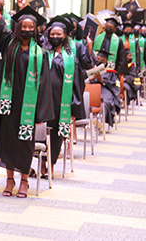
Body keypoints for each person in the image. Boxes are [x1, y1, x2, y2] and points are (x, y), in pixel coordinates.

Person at [0, 0, 54, 199]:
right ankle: (9, 179)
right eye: (24, 26)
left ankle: (24, 181)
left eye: (31, 27)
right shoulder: (8, 46)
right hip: (8, 103)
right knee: (6, 140)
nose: (27, 29)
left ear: (36, 29)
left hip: (28, 107)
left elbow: (44, 84)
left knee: (24, 142)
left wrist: (41, 111)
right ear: (18, 28)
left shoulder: (41, 53)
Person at [40, 16, 92, 178]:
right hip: (41, 103)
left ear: (65, 37)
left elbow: (78, 85)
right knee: (40, 134)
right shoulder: (41, 55)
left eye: (59, 34)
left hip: (59, 104)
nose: (55, 37)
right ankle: (41, 164)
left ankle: (52, 165)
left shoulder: (72, 60)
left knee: (56, 136)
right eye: (52, 34)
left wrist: (75, 107)